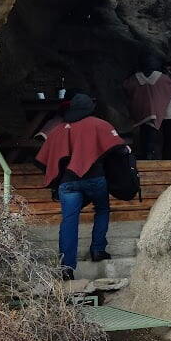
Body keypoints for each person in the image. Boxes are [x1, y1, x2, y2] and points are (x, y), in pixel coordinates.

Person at [35, 92, 124, 278]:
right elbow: (119, 148)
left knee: (69, 220)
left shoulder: (59, 129)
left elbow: (42, 158)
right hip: (95, 179)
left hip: (67, 183)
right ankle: (98, 249)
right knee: (102, 209)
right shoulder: (99, 124)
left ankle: (66, 269)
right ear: (90, 108)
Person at [123, 55, 171, 160]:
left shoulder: (134, 78)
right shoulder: (163, 78)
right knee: (157, 138)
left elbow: (126, 87)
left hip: (141, 113)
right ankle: (152, 155)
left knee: (144, 136)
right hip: (159, 113)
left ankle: (147, 154)